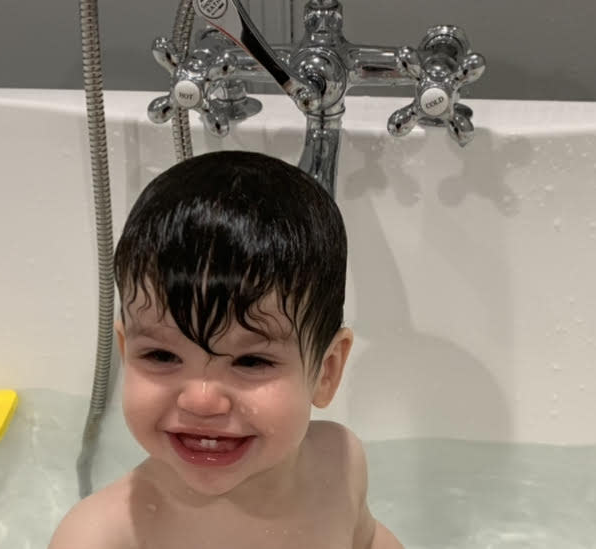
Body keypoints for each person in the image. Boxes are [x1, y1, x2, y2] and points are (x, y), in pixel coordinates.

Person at [48, 151, 403, 548]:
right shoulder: (102, 537)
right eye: (161, 356)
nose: (201, 400)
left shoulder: (339, 462)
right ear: (125, 350)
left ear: (326, 370)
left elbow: (369, 540)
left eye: (252, 361)